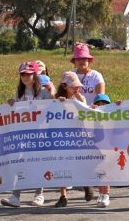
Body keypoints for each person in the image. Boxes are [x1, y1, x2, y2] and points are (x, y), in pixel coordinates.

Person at [0, 62, 56, 208]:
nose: (25, 77)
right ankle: (15, 196)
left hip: (40, 134)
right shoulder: (19, 93)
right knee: (20, 163)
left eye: (28, 74)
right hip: (23, 135)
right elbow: (16, 111)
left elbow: (52, 109)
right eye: (22, 74)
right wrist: (11, 104)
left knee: (39, 163)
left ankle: (39, 194)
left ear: (35, 75)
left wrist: (56, 97)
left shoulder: (43, 92)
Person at [48, 71, 88, 208]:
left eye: (78, 86)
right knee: (61, 165)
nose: (77, 89)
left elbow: (87, 114)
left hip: (77, 136)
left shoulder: (80, 98)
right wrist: (58, 102)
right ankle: (63, 196)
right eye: (74, 87)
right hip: (61, 137)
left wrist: (80, 101)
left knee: (78, 163)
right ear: (65, 86)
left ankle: (85, 183)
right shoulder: (55, 98)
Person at [91, 93, 115, 207]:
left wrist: (119, 106)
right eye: (98, 103)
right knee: (99, 171)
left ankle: (106, 194)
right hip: (95, 146)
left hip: (107, 146)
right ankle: (100, 193)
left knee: (106, 170)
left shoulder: (111, 115)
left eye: (104, 104)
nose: (101, 106)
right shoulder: (91, 114)